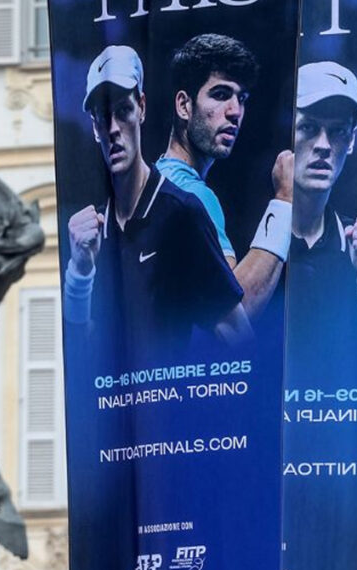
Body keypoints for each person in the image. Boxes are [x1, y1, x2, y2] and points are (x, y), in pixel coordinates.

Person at [64, 45, 251, 364]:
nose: (113, 129)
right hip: (119, 412)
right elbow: (80, 351)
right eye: (102, 117)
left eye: (122, 111)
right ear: (94, 127)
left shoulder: (182, 211)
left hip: (176, 408)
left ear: (142, 108)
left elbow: (239, 335)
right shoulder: (91, 231)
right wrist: (79, 272)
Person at [283, 61, 357, 570]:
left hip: (347, 511)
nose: (324, 144)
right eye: (309, 127)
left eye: (339, 131)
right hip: (258, 501)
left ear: (352, 143)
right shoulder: (242, 247)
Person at [157, 34, 292, 320]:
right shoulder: (191, 195)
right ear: (184, 105)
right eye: (220, 94)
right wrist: (284, 201)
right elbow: (237, 313)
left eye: (241, 99)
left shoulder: (156, 183)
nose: (235, 112)